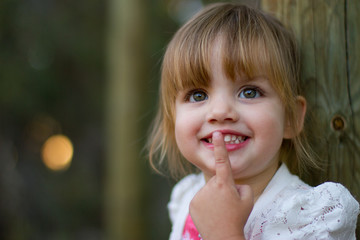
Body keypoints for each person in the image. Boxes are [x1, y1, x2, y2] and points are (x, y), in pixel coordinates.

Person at [147, 2, 359, 240]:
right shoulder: (187, 198)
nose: (220, 111)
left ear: (290, 118)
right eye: (198, 95)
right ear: (172, 119)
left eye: (249, 92)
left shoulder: (311, 218)